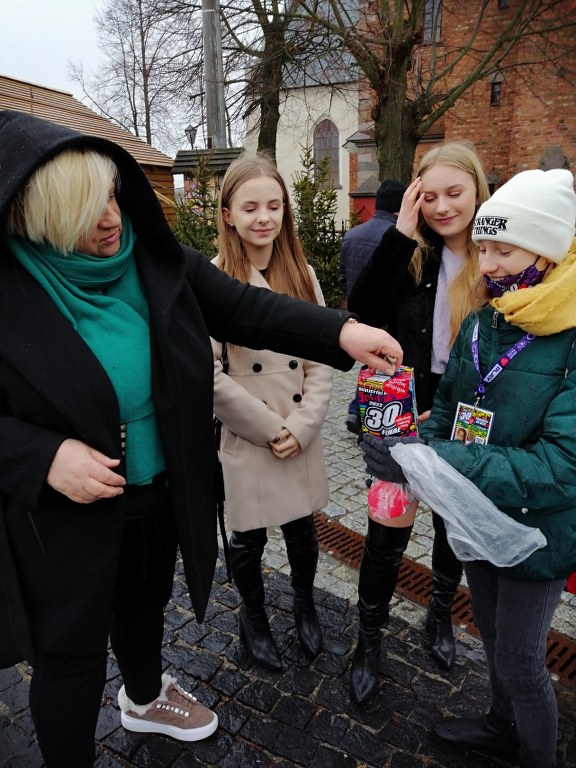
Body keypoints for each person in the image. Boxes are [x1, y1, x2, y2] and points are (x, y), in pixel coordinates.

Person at [0, 109, 403, 768]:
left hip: (155, 492)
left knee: (143, 608)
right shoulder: (12, 289)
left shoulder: (153, 259)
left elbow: (245, 308)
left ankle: (143, 697)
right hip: (61, 516)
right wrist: (42, 456)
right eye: (85, 210)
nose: (110, 218)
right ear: (39, 217)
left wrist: (341, 331)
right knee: (69, 656)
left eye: (112, 195)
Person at [362, 167, 576, 768]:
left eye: (504, 250)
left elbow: (562, 467)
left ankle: (536, 754)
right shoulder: (483, 321)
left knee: (522, 660)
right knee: (491, 633)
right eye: (483, 248)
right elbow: (448, 412)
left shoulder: (571, 337)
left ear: (547, 252)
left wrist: (436, 459)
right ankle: (501, 726)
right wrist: (410, 448)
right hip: (477, 517)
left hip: (538, 531)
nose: (487, 264)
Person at [347, 140, 490, 703]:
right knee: (386, 534)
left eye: (455, 193)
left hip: (466, 416)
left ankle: (440, 615)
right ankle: (368, 640)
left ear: (478, 191)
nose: (442, 207)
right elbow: (362, 308)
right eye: (429, 196)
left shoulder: (498, 257)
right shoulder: (411, 253)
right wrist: (401, 231)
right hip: (400, 412)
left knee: (453, 530)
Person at [211, 154, 332, 670]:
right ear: (227, 214)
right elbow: (207, 373)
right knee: (248, 539)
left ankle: (305, 604)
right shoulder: (212, 280)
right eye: (251, 207)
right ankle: (253, 617)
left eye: (274, 206)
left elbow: (321, 360)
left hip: (297, 431)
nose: (264, 217)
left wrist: (302, 427)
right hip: (248, 432)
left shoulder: (302, 275)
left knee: (302, 531)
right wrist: (268, 428)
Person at [339, 179, 407, 434]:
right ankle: (361, 410)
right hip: (386, 314)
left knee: (370, 361)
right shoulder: (399, 236)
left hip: (357, 311)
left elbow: (342, 277)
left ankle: (357, 409)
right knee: (381, 363)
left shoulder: (352, 234)